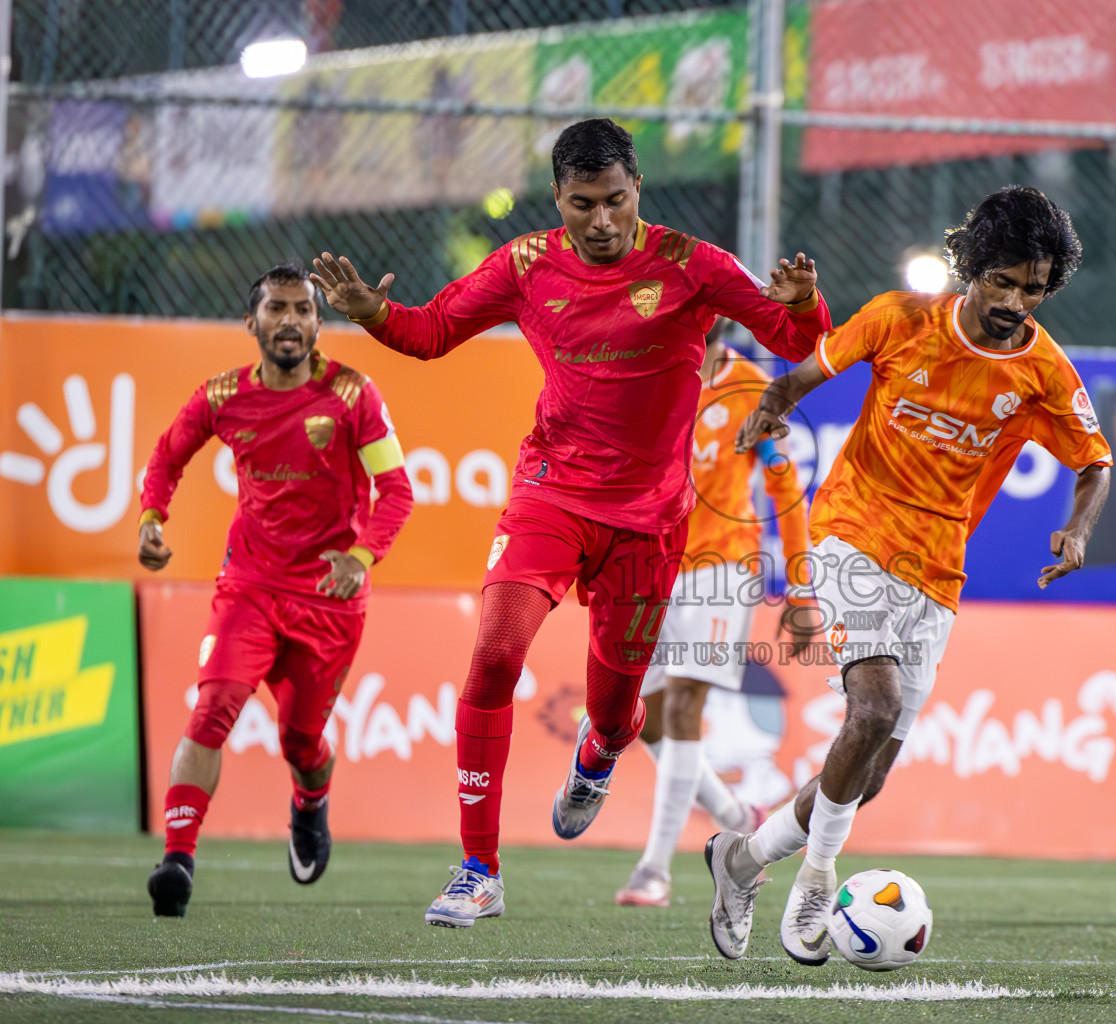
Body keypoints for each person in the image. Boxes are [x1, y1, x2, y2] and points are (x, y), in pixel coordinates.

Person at [308, 118, 831, 929]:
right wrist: (376, 314)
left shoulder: (694, 265)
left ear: (637, 192)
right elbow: (432, 331)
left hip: (650, 526)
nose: (600, 221)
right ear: (558, 197)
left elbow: (797, 340)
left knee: (620, 713)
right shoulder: (524, 265)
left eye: (615, 201)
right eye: (582, 203)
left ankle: (598, 753)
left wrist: (805, 304)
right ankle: (479, 869)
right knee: (495, 653)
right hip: (551, 494)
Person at [705, 185, 1113, 964]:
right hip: (851, 532)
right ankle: (818, 879)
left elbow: (1095, 463)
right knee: (876, 703)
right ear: (971, 268)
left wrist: (1077, 530)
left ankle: (741, 861)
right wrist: (771, 406)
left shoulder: (1044, 372)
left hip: (936, 572)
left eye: (1033, 288)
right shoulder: (900, 319)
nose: (1016, 301)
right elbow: (800, 375)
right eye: (1003, 280)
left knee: (869, 770)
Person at [141, 264, 413, 917]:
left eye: (302, 310)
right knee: (214, 708)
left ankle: (310, 803)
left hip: (330, 597)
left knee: (300, 742)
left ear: (319, 324)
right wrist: (153, 518)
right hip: (251, 586)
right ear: (252, 323)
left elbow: (397, 490)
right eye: (276, 309)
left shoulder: (354, 394)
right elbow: (166, 457)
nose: (289, 320)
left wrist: (361, 554)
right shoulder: (221, 396)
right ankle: (177, 860)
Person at [613, 320, 815, 908]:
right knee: (636, 716)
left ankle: (654, 870)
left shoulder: (753, 389)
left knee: (683, 705)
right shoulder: (643, 378)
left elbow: (784, 488)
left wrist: (801, 592)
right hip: (650, 566)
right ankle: (732, 812)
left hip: (722, 568)